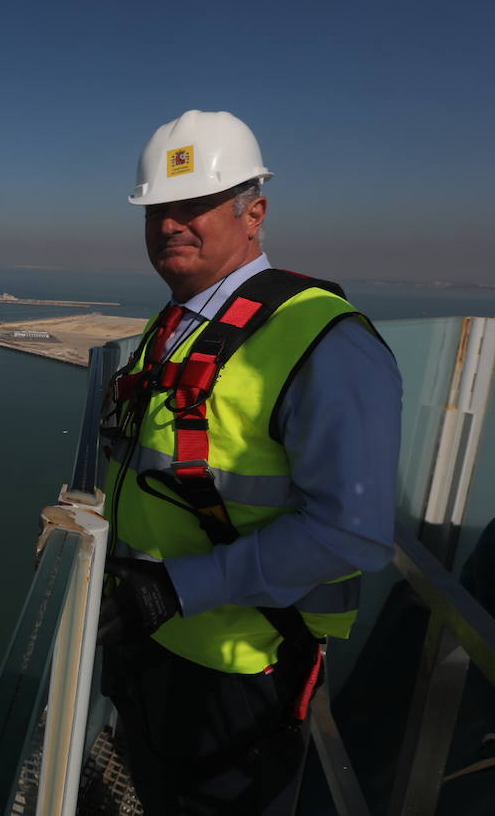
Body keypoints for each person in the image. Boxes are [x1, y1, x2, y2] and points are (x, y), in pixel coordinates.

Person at [96, 110, 402, 815]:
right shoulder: (174, 323)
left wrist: (179, 589)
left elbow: (352, 532)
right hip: (154, 644)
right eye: (158, 210)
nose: (171, 224)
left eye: (194, 205)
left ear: (254, 213)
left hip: (241, 669)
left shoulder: (325, 341)